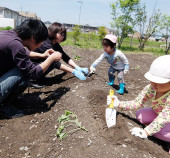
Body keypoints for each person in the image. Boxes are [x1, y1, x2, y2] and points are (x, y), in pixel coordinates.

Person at [107, 55, 170, 154]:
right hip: (158, 113)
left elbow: (164, 118)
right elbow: (138, 102)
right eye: (152, 80)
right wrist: (119, 103)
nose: (153, 84)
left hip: (166, 117)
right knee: (140, 116)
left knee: (160, 132)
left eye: (159, 82)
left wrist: (146, 131)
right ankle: (157, 128)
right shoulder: (151, 88)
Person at [0, 19, 62, 118]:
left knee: (21, 64)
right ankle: (3, 105)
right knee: (24, 70)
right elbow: (33, 73)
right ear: (33, 38)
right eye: (41, 42)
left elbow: (23, 52)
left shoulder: (9, 35)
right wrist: (51, 58)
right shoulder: (15, 44)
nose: (41, 44)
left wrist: (42, 55)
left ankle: (10, 100)